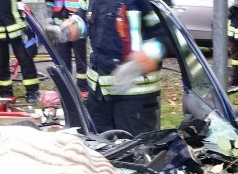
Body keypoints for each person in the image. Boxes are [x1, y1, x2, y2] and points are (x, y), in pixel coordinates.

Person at [83, 0, 165, 135]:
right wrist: (68, 28)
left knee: (135, 150)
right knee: (99, 148)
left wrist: (141, 61)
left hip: (135, 97)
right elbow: (87, 15)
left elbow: (167, 34)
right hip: (99, 94)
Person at [0, 0, 41, 103]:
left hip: (17, 26)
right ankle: (6, 94)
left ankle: (33, 92)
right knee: (0, 62)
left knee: (26, 58)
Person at [47, 0, 90, 96]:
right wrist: (49, 18)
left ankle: (83, 88)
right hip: (59, 27)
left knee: (80, 59)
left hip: (77, 25)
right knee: (63, 61)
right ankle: (67, 88)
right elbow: (49, 2)